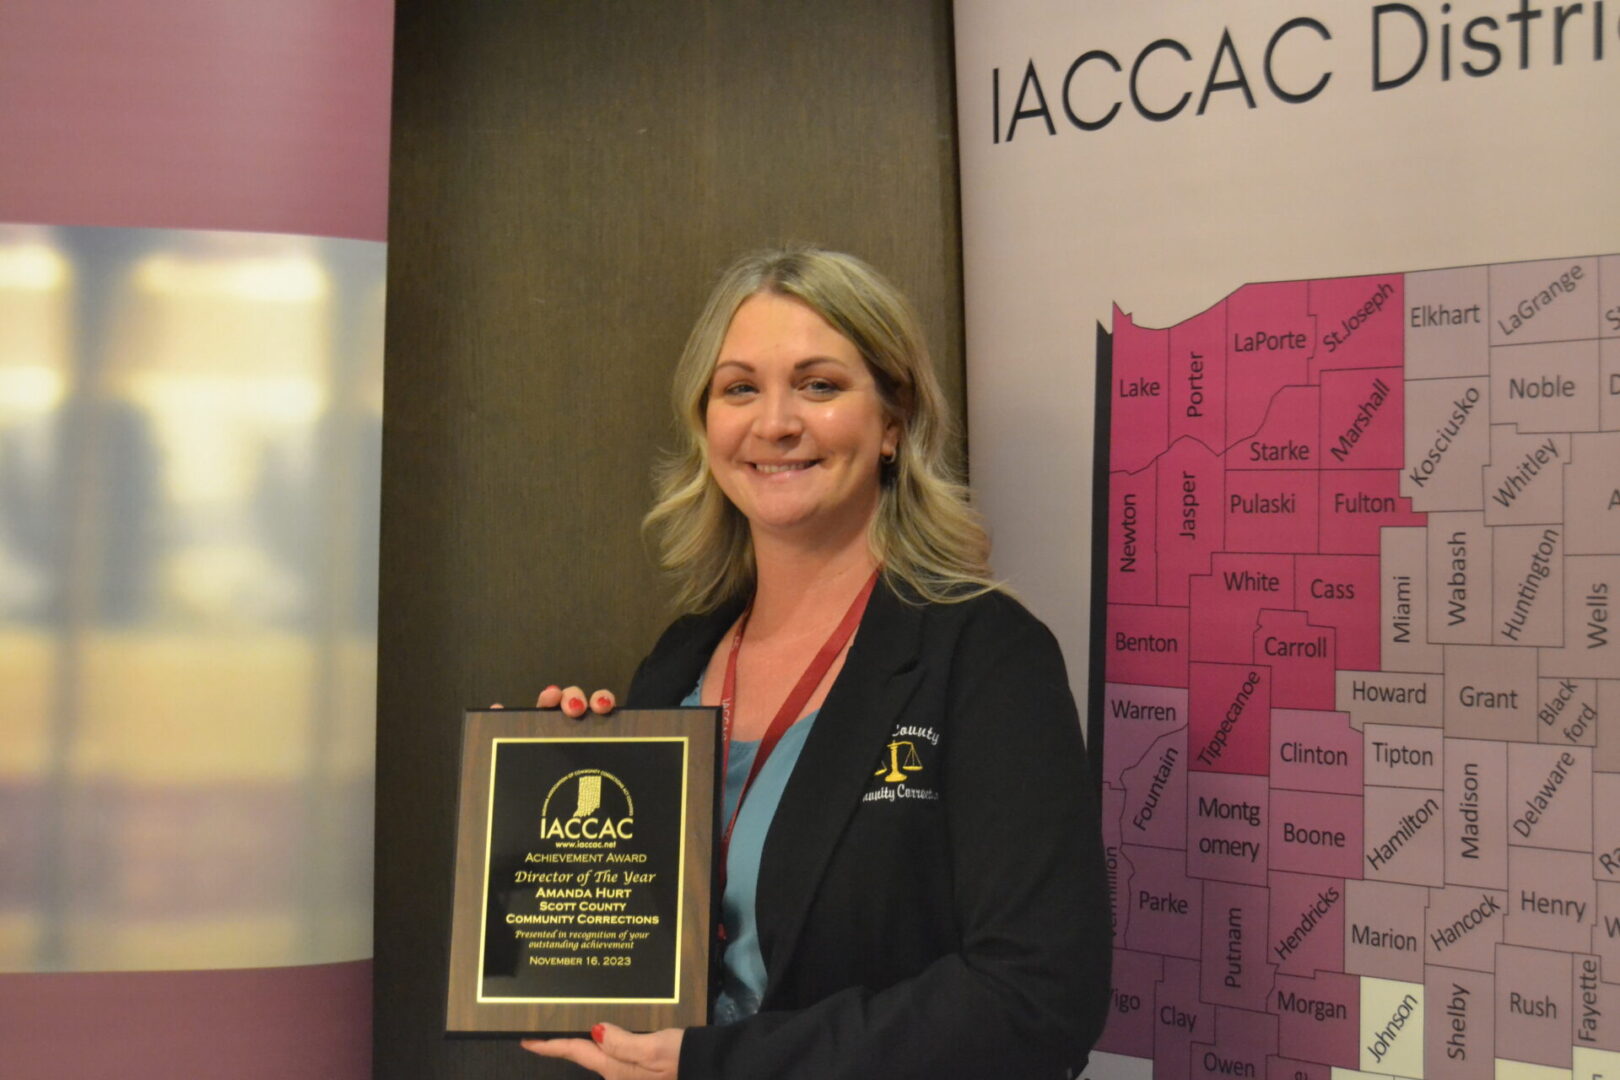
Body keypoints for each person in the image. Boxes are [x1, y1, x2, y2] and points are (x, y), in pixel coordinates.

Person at [522, 247, 1110, 1079]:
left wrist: (725, 1065)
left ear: (894, 422)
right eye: (739, 389)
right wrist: (550, 806)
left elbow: (1039, 996)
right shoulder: (676, 665)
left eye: (820, 385)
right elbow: (627, 966)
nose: (775, 423)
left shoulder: (985, 655)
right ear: (704, 424)